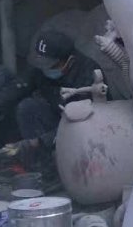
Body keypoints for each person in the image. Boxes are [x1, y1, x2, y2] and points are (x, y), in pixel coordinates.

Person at [16, 29, 109, 157]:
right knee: (27, 107)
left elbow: (85, 123)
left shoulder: (88, 75)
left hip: (82, 129)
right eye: (42, 63)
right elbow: (16, 90)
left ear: (70, 60)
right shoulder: (40, 68)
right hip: (56, 114)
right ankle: (38, 159)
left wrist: (40, 141)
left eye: (52, 65)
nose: (46, 69)